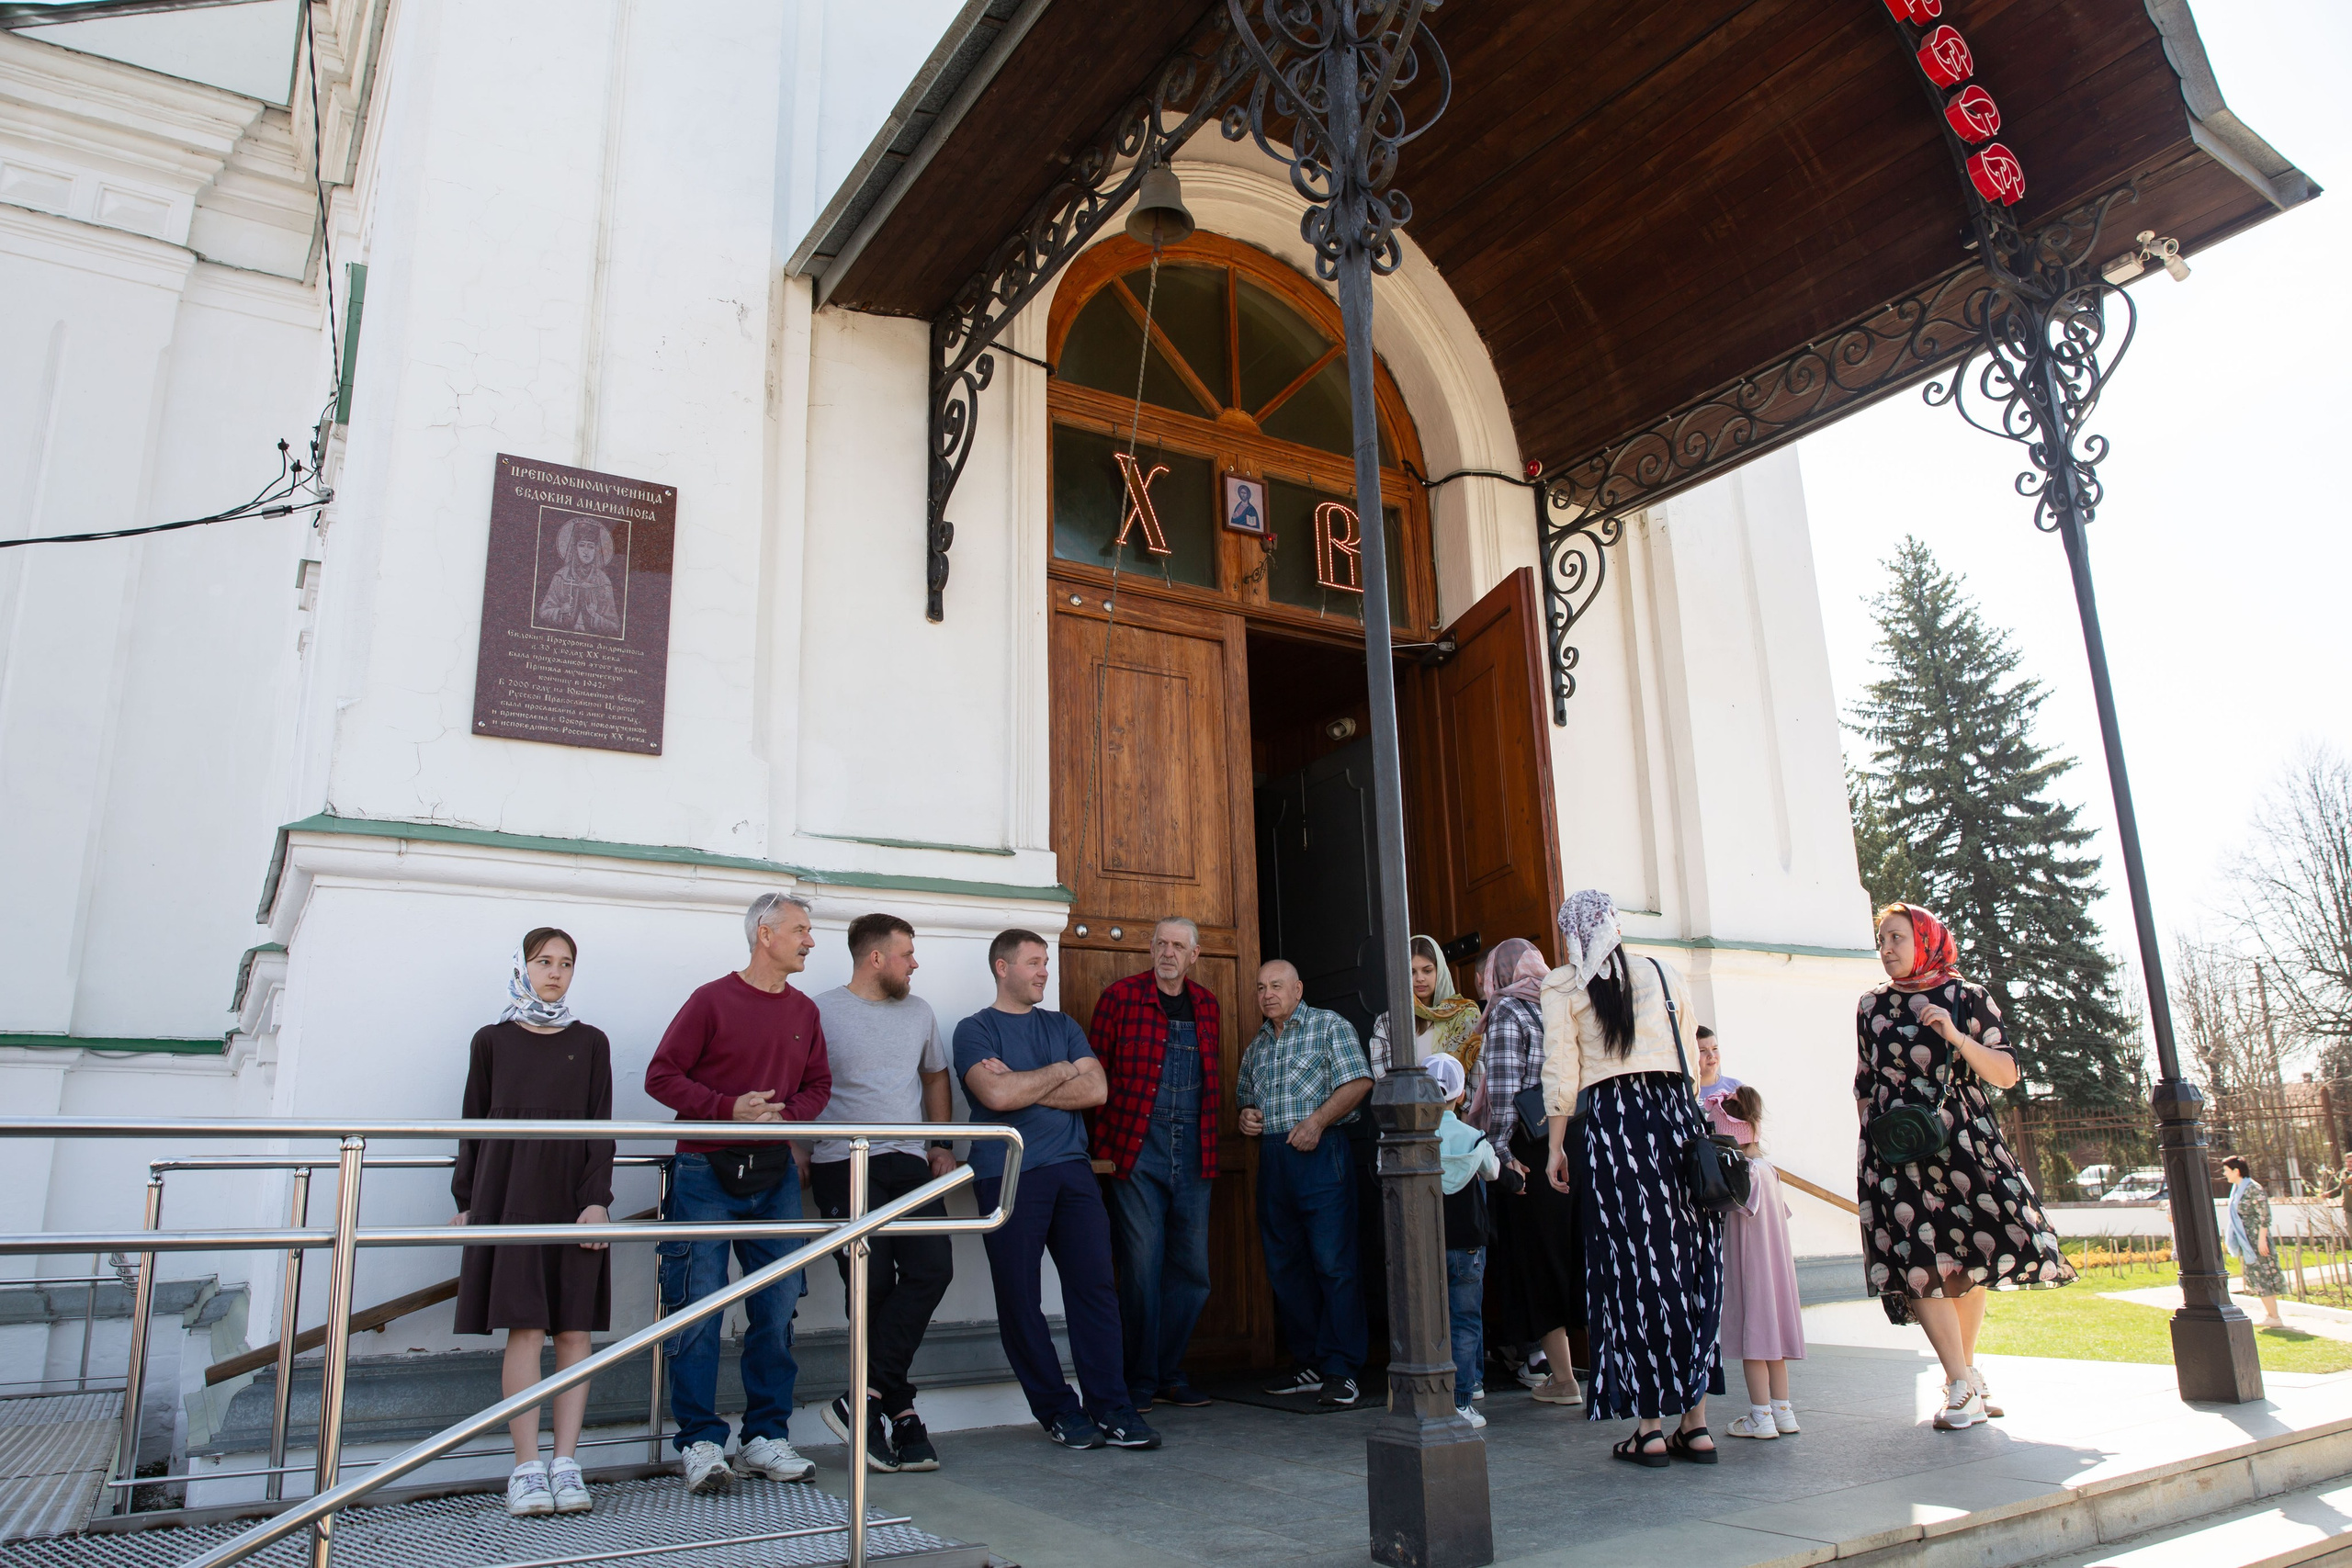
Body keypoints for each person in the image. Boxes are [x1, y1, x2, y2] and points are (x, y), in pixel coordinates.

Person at [1856, 902, 2075, 1432]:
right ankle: (1958, 1381)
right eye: (1881, 939)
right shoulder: (1870, 1006)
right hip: (1896, 1154)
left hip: (1962, 1146)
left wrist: (1955, 1037)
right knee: (1917, 1261)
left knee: (1967, 1256)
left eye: (1897, 938)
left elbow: (2004, 1073)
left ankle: (1967, 1375)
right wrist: (1873, 1143)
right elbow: (1864, 1081)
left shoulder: (1966, 996)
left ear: (1926, 940)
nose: (1886, 949)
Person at [644, 892, 833, 1494]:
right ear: (765, 934)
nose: (810, 940)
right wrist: (729, 1109)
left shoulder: (804, 1009)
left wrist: (786, 1119)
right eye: (801, 929)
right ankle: (700, 1442)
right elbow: (661, 1075)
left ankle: (764, 1436)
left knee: (777, 1304)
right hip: (705, 1170)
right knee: (699, 1305)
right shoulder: (710, 1000)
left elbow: (818, 1082)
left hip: (773, 1171)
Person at [956, 930, 1159, 1451]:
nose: (1045, 971)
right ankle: (1057, 1411)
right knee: (1020, 1297)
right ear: (1002, 968)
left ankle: (1112, 1407)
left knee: (1095, 1289)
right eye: (1033, 962)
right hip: (1007, 1172)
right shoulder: (974, 1029)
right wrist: (1059, 1073)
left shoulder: (1063, 1024)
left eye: (1046, 962)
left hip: (1073, 1170)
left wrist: (1029, 1082)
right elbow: (996, 1096)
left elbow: (1097, 1089)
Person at [1542, 891, 1720, 1467]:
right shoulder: (1665, 973)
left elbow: (1560, 1071)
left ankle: (1648, 1427)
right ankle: (1695, 1425)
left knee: (1632, 1267)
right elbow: (1690, 1060)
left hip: (1617, 1128)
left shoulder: (1564, 985)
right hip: (1676, 1119)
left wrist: (1554, 1147)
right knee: (1688, 1262)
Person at [451, 928, 615, 1518]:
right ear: (522, 965)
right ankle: (525, 1467)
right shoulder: (491, 1041)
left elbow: (602, 1125)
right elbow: (473, 1121)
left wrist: (597, 1199)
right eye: (544, 962)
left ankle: (567, 1463)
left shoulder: (591, 1042)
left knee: (573, 1330)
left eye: (566, 964)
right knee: (524, 1327)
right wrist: (468, 1199)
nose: (555, 973)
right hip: (510, 1193)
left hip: (573, 1197)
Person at [809, 913, 956, 1472]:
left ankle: (862, 1399)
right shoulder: (819, 1011)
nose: (914, 963)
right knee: (869, 1287)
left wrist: (941, 1141)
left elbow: (935, 1075)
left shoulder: (919, 1012)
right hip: (843, 1162)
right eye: (907, 954)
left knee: (932, 1270)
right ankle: (896, 1409)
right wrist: (798, 1146)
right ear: (876, 958)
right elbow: (800, 1083)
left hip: (910, 1163)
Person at [1085, 917, 1221, 1412]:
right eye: (1161, 943)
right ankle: (1138, 1378)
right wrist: (1103, 1151)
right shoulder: (1119, 998)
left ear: (1194, 954)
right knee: (1141, 1267)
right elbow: (1094, 1078)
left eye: (1178, 946)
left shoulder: (1208, 1005)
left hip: (1197, 1147)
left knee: (1192, 1270)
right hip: (1136, 1146)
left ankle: (1169, 1371)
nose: (1168, 952)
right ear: (1150, 948)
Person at [1237, 958, 1374, 1408]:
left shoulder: (1327, 1026)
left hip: (1321, 1152)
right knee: (1285, 1265)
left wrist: (1317, 1121)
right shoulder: (1257, 1044)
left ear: (1298, 988)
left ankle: (1342, 1368)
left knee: (1334, 1263)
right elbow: (1246, 1100)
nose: (1267, 994)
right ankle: (1310, 1361)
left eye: (1276, 986)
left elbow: (1358, 1082)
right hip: (1274, 1160)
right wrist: (1247, 1117)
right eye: (1261, 988)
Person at [1474, 937, 1584, 1407]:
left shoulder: (1507, 1012)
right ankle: (1609, 1367)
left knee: (1540, 1261)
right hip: (1578, 1140)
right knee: (1579, 1251)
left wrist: (1498, 1150)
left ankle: (1563, 1380)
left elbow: (1502, 1089)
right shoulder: (1562, 1004)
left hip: (1533, 1148)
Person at [1710, 1084, 1804, 1440]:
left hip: (1752, 1272)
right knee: (1774, 1346)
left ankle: (1760, 1416)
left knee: (1755, 1343)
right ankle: (1783, 1411)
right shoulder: (1767, 1170)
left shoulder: (1742, 1174)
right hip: (1775, 1273)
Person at [1429, 1052, 1502, 1429]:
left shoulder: (1414, 1136)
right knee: (1466, 1319)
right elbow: (1492, 1172)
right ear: (1460, 1096)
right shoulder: (1473, 1136)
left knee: (1427, 1319)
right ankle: (1463, 1396)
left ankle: (1428, 1396)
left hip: (1426, 1243)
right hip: (1468, 1241)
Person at [1368, 935, 1486, 1104]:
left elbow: (1477, 1076)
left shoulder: (1464, 1016)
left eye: (1427, 970)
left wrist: (1464, 1120)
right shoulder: (1388, 1023)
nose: (1420, 978)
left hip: (1457, 1121)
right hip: (1406, 1119)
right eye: (1412, 972)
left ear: (1440, 971)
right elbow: (1385, 1084)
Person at [2222, 1156, 2289, 1329]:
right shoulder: (2238, 1189)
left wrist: (2261, 1240)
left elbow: (2264, 1215)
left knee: (2263, 1275)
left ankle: (2274, 1316)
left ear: (2236, 1171)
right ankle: (2271, 1315)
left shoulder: (2252, 1188)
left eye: (2226, 1171)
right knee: (2258, 1276)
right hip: (2248, 1240)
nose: (2224, 1174)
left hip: (2256, 1240)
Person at [1695, 1026, 1740, 1112]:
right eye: (1702, 1050)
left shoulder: (1735, 1088)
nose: (1711, 1055)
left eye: (1715, 1049)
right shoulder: (1681, 1091)